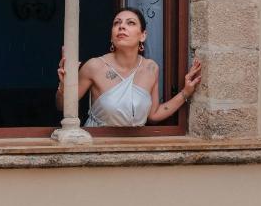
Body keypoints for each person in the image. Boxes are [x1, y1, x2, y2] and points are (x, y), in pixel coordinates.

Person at [55, 7, 202, 127]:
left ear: (143, 35)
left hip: (134, 148)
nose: (122, 26)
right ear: (111, 37)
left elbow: (154, 115)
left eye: (130, 23)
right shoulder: (94, 66)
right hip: (97, 145)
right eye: (117, 23)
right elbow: (63, 106)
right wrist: (63, 87)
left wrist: (186, 92)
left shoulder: (151, 68)